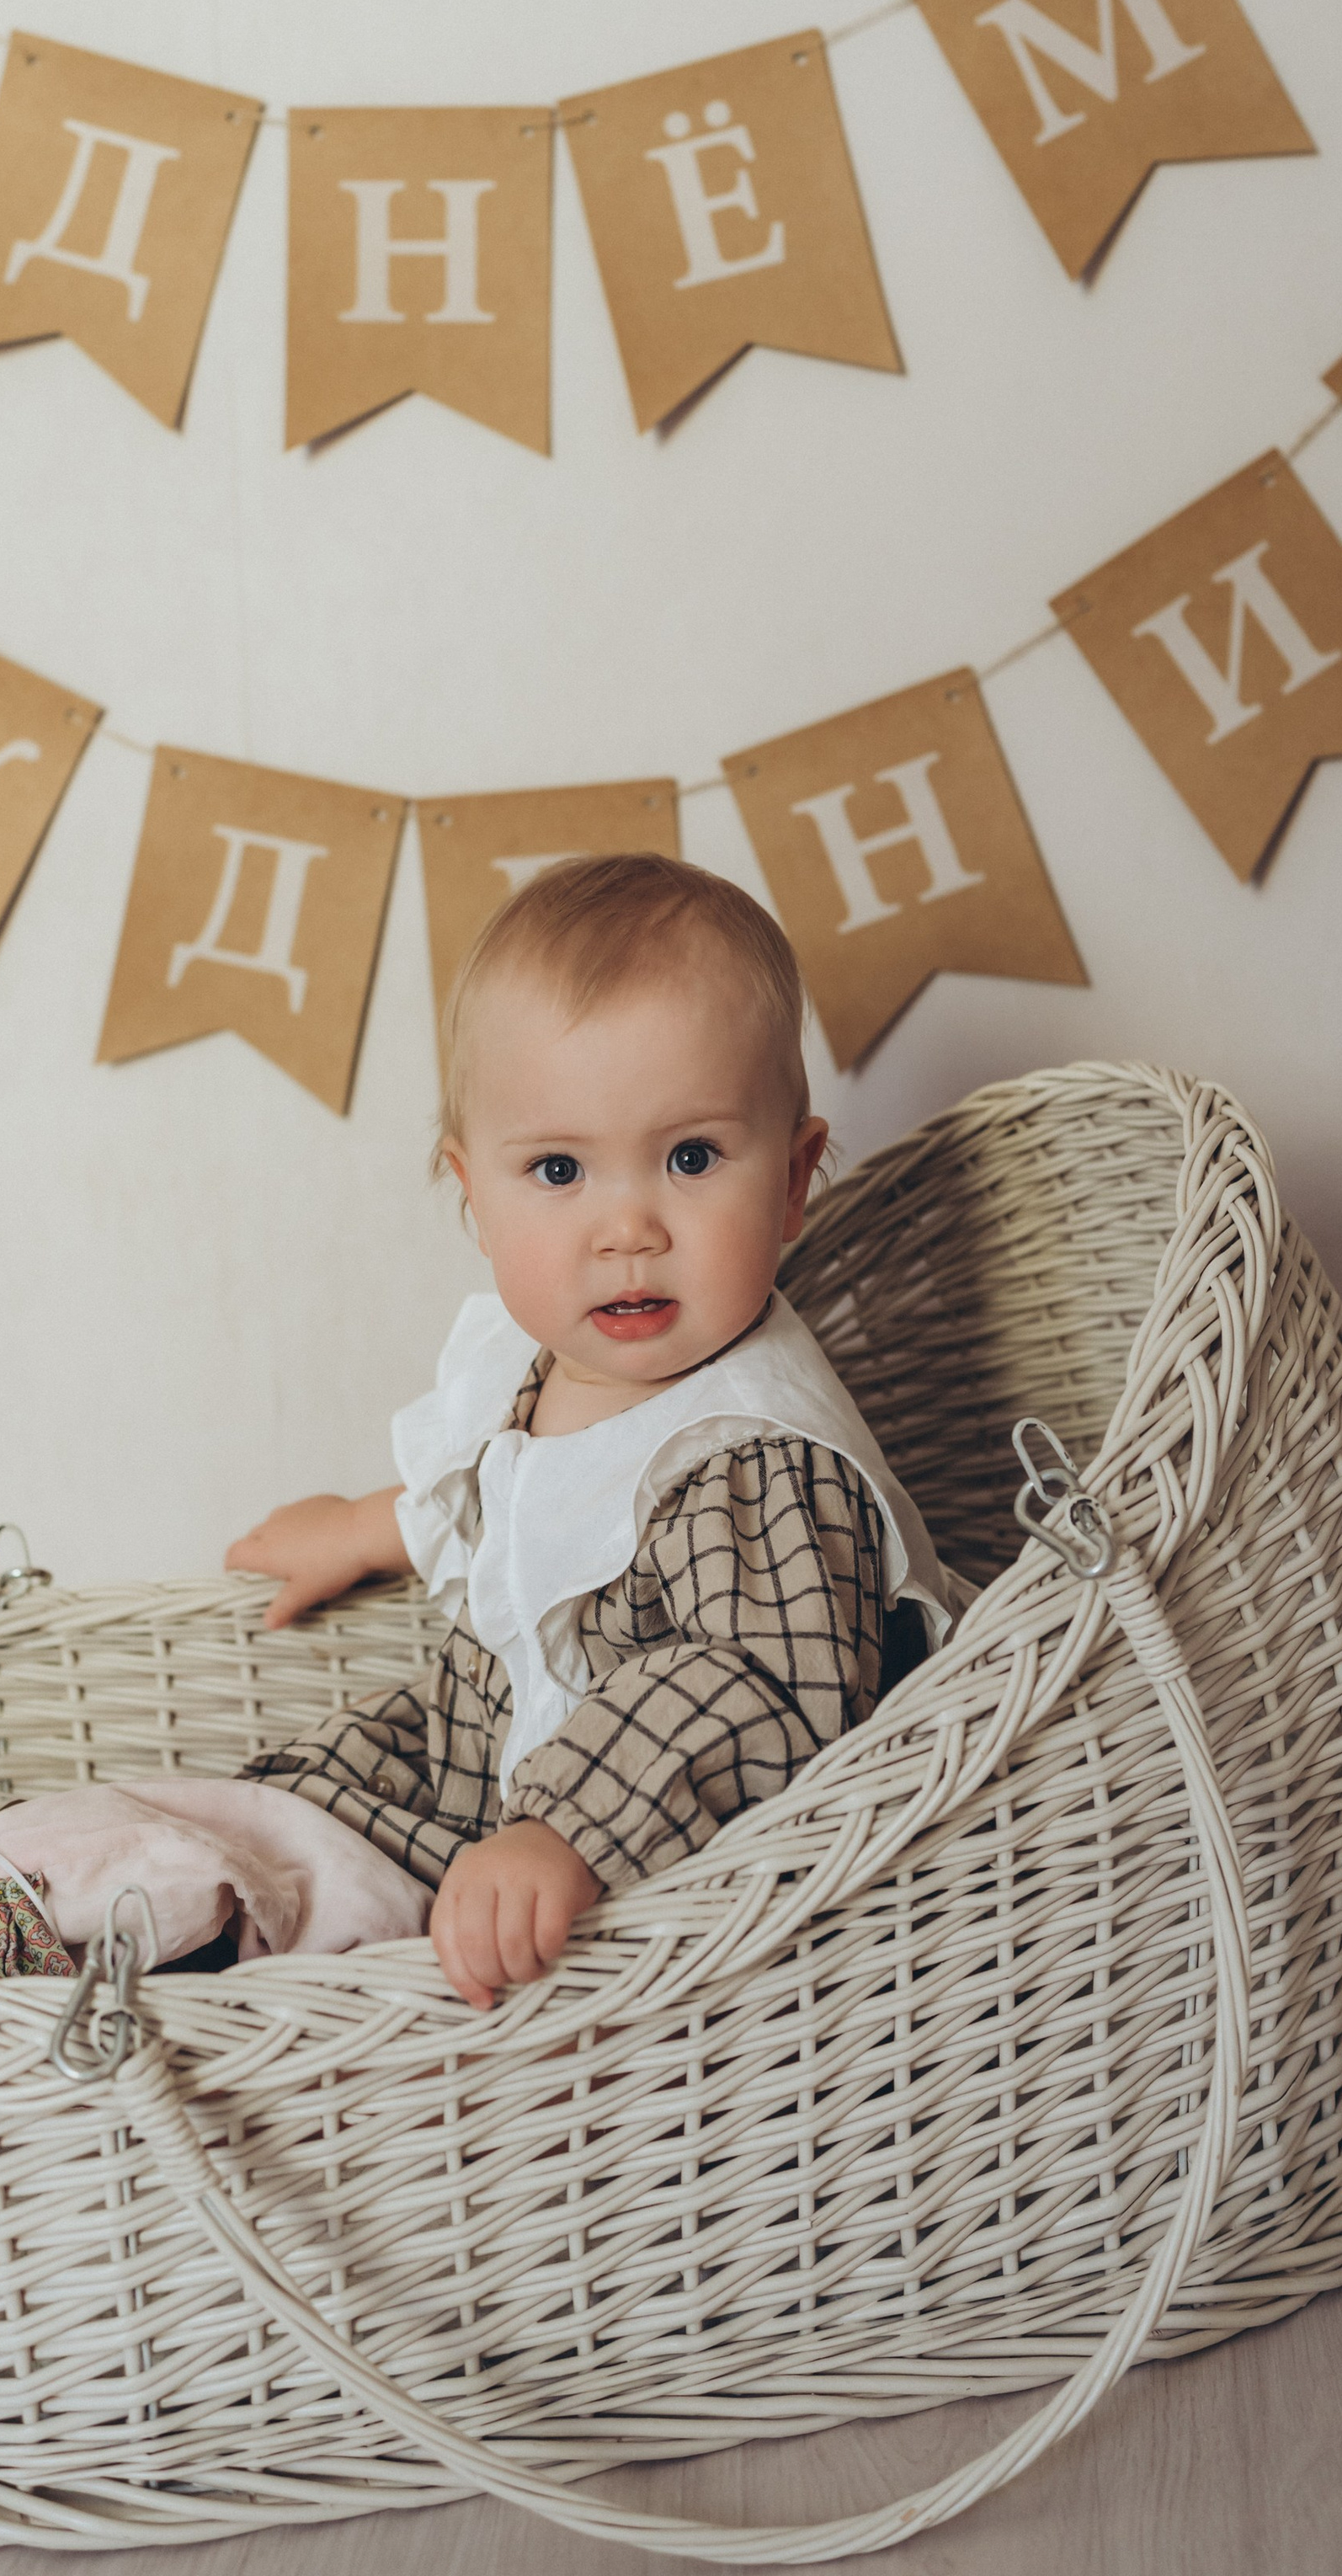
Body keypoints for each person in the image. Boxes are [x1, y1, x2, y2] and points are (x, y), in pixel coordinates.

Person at [226, 853, 958, 2009]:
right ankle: (111, 1894)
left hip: (642, 1880)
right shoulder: (538, 1365)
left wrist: (564, 1834)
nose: (629, 1228)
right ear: (474, 1195)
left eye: (691, 1158)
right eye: (559, 1169)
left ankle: (169, 1916)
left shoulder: (752, 1453)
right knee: (311, 1784)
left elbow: (764, 1683)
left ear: (794, 1182)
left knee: (339, 1849)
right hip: (488, 1764)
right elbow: (517, 1496)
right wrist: (375, 1528)